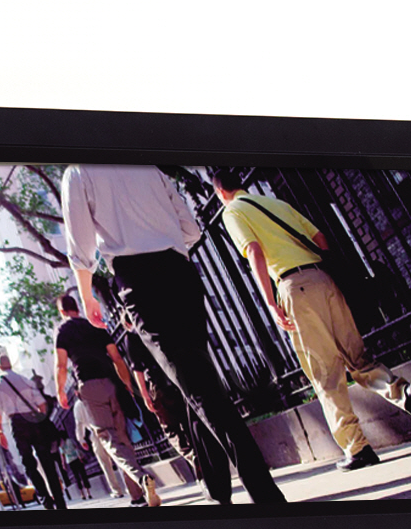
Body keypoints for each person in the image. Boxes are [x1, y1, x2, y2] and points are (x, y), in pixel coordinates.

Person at [61, 163, 287, 506]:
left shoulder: (79, 172)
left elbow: (80, 243)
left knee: (199, 388)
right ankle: (215, 487)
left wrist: (87, 295)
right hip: (181, 274)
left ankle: (267, 496)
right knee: (195, 381)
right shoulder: (149, 168)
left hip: (139, 282)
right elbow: (191, 231)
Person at [212, 170, 411, 472]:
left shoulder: (232, 211)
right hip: (325, 280)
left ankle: (357, 448)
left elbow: (254, 249)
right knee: (358, 358)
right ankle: (406, 395)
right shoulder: (275, 204)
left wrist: (270, 301)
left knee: (325, 372)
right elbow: (320, 238)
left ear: (220, 192)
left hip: (294, 287)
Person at [53, 292, 161, 507]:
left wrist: (60, 391)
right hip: (112, 384)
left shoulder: (63, 331)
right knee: (122, 438)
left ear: (62, 311)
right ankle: (137, 496)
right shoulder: (95, 326)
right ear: (77, 308)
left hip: (90, 387)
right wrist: (127, 384)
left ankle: (141, 478)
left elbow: (61, 365)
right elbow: (117, 358)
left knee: (107, 438)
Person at [0, 353, 67, 510]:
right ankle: (60, 501)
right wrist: (41, 418)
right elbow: (42, 403)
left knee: (29, 463)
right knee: (47, 461)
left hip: (17, 422)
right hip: (34, 420)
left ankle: (45, 499)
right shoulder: (25, 380)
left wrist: (0, 430)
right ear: (11, 363)